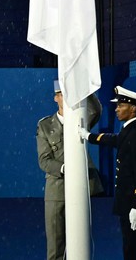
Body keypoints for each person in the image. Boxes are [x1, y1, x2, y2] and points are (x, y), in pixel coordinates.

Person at [80, 86, 136, 260]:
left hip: (132, 201)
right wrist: (89, 136)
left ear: (133, 108)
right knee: (130, 245)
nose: (117, 109)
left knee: (134, 247)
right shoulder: (130, 131)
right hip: (126, 200)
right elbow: (114, 139)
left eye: (121, 105)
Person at [37, 82, 105, 260]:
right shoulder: (45, 126)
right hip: (57, 189)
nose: (66, 98)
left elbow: (96, 110)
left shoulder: (81, 118)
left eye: (69, 94)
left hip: (80, 187)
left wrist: (84, 90)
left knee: (79, 241)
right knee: (56, 245)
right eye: (62, 94)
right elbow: (44, 160)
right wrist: (65, 168)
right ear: (56, 98)